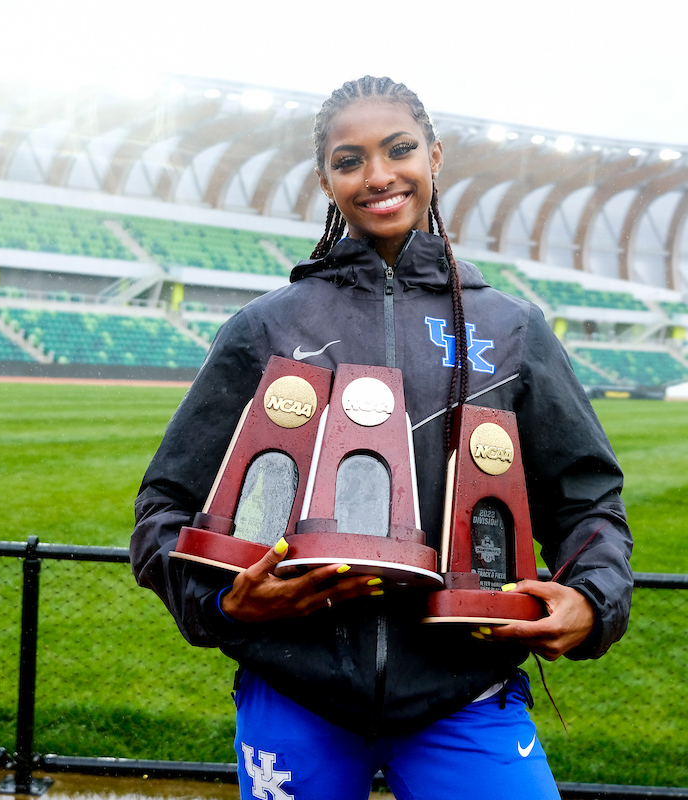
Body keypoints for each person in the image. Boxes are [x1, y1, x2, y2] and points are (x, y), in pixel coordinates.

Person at [131, 76, 633, 800]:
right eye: (349, 160)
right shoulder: (268, 328)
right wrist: (220, 604)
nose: (378, 176)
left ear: (435, 155)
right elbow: (165, 506)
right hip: (295, 691)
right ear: (326, 180)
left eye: (398, 150)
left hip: (464, 693)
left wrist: (592, 599)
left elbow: (587, 502)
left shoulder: (510, 329)